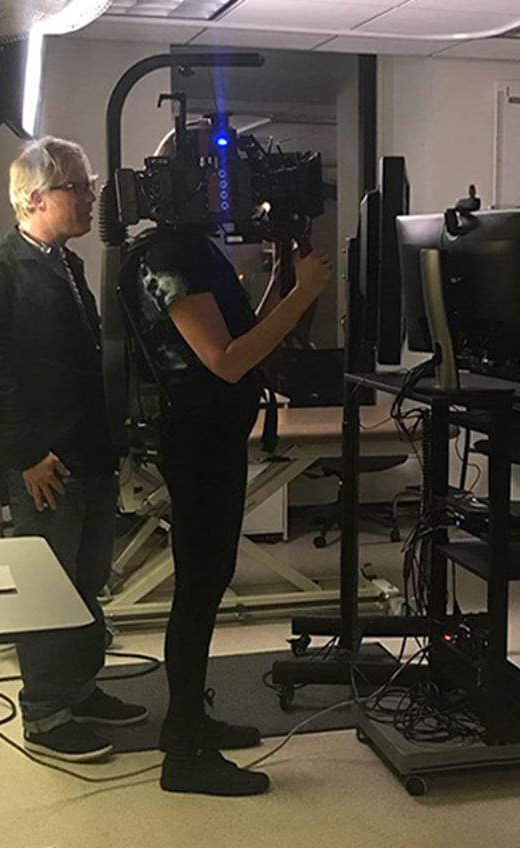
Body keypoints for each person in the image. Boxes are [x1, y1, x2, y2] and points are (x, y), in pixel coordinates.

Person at [126, 128, 332, 797]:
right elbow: (227, 360)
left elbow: (240, 337)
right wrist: (303, 294)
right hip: (197, 444)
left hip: (213, 440)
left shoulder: (191, 251)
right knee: (196, 594)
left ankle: (186, 723)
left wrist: (280, 278)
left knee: (207, 587)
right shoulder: (168, 258)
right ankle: (183, 753)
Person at [0, 137, 146, 762]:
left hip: (87, 456)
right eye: (79, 187)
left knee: (86, 585)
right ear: (35, 198)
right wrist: (26, 456)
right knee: (48, 591)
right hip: (46, 465)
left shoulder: (65, 266)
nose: (91, 197)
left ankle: (79, 688)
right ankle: (44, 714)